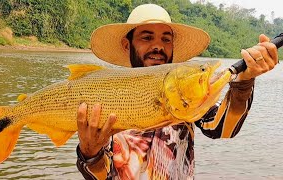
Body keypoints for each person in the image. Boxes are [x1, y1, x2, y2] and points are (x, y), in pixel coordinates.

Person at [75, 4, 278, 179]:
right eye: (147, 37)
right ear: (127, 45)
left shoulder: (185, 93)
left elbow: (223, 128)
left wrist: (244, 82)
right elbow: (99, 176)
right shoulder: (104, 94)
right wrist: (89, 152)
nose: (158, 46)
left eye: (166, 39)